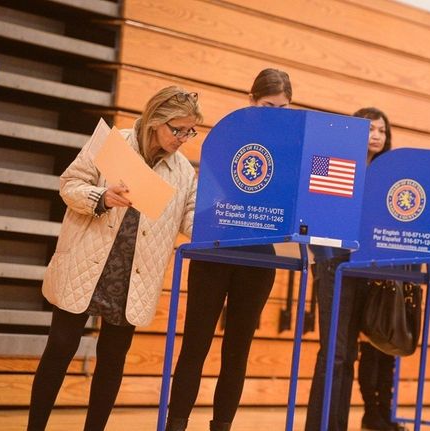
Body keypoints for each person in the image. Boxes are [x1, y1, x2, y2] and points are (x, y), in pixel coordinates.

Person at [27, 86, 202, 431]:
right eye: (177, 129)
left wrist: (228, 225)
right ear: (155, 121)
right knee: (60, 348)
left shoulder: (184, 171)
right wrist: (102, 196)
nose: (183, 138)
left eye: (190, 130)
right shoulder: (114, 143)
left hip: (132, 276)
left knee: (111, 361)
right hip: (85, 262)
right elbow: (70, 184)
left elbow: (191, 219)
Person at [165, 68, 293, 431]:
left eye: (283, 109)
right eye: (268, 105)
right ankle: (176, 424)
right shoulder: (228, 134)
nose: (275, 114)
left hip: (258, 255)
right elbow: (210, 194)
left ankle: (222, 425)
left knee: (237, 351)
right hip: (215, 246)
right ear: (251, 100)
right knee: (195, 344)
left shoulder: (291, 148)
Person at [305, 107, 403, 431]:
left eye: (382, 131)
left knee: (350, 355)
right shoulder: (331, 162)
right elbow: (315, 205)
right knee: (336, 352)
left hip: (366, 267)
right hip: (334, 261)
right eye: (370, 129)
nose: (376, 135)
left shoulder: (390, 177)